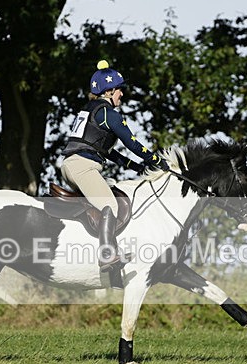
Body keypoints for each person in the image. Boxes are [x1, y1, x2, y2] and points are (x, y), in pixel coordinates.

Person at [60, 60, 169, 272]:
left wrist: (137, 168)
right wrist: (157, 161)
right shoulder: (109, 113)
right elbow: (132, 143)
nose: (122, 94)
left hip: (73, 164)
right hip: (83, 167)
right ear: (109, 91)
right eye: (120, 90)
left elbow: (108, 152)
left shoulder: (91, 110)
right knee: (110, 205)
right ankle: (107, 254)